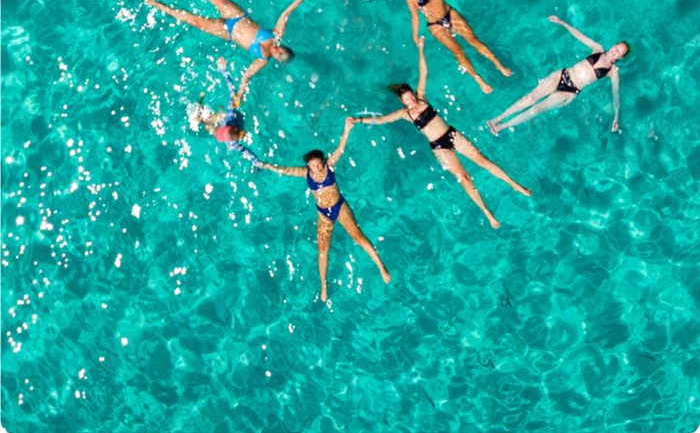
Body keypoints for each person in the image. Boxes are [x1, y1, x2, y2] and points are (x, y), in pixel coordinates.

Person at [352, 38, 531, 229]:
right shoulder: (403, 114)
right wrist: (359, 120)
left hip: (451, 135)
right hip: (439, 147)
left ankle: (514, 184)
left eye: (411, 96)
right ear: (402, 102)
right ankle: (487, 212)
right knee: (464, 178)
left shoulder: (422, 97)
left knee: (483, 161)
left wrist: (421, 48)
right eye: (407, 99)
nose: (412, 100)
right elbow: (382, 119)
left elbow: (424, 71)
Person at [145, 0, 312, 104]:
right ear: (284, 47)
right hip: (237, 15)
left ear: (277, 60)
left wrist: (239, 95)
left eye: (279, 57)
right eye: (282, 51)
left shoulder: (262, 60)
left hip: (227, 32)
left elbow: (246, 76)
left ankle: (159, 5)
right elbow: (285, 14)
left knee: (195, 21)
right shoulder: (276, 34)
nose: (277, 52)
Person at [260, 118, 391, 302]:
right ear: (308, 166)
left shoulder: (329, 166)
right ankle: (323, 284)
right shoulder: (305, 173)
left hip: (339, 206)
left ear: (323, 161)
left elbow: (340, 148)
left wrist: (346, 129)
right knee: (323, 251)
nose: (317, 168)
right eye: (313, 165)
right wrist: (266, 166)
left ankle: (380, 266)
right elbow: (285, 170)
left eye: (319, 164)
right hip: (323, 213)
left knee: (357, 236)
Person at [487, 16, 629, 135]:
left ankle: (500, 127)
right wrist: (562, 22)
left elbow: (616, 94)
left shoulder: (612, 71)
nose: (614, 52)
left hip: (570, 91)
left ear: (621, 57)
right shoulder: (598, 49)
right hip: (563, 75)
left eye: (619, 52)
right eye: (616, 48)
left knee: (535, 110)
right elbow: (579, 35)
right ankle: (497, 119)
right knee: (531, 98)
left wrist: (616, 116)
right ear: (613, 46)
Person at [400, 0, 511, 94]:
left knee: (474, 40)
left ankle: (498, 64)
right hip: (436, 25)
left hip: (450, 14)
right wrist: (415, 36)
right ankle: (478, 80)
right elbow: (415, 17)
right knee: (458, 52)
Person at [192, 57, 263, 169]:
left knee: (205, 123)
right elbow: (232, 90)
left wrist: (224, 70)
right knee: (207, 122)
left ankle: (200, 100)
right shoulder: (230, 115)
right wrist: (223, 69)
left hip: (229, 119)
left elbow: (248, 152)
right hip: (232, 118)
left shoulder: (233, 144)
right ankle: (201, 105)